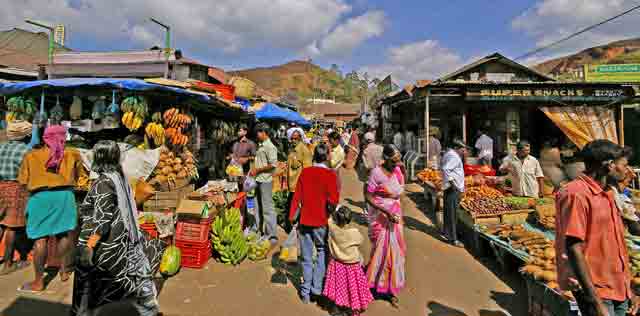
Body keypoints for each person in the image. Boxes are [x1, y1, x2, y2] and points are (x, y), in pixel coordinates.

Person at [72, 141, 166, 316]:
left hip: (106, 243)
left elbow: (102, 220)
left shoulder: (103, 183)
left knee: (93, 285)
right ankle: (147, 308)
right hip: (122, 237)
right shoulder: (119, 176)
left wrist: (89, 246)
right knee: (123, 279)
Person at [555, 140, 633, 316]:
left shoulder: (608, 193)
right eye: (624, 165)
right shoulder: (576, 194)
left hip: (617, 284)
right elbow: (573, 248)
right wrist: (595, 301)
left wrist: (629, 289)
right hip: (597, 290)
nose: (627, 170)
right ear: (609, 165)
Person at [18, 125, 88, 293]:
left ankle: (38, 281)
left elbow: (22, 180)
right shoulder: (72, 154)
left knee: (40, 239)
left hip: (40, 198)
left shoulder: (31, 155)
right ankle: (64, 271)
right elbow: (81, 177)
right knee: (63, 234)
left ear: (44, 138)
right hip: (64, 197)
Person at [289, 143, 339, 304]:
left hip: (304, 220)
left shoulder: (305, 173)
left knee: (306, 257)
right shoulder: (330, 175)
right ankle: (316, 289)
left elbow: (296, 197)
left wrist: (292, 217)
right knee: (322, 252)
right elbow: (333, 201)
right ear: (327, 157)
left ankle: (305, 293)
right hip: (321, 221)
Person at [364, 144, 406, 308]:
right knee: (379, 253)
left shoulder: (397, 170)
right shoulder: (376, 173)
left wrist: (403, 170)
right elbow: (368, 196)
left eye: (398, 161)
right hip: (381, 217)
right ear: (386, 159)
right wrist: (385, 212)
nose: (396, 164)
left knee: (396, 255)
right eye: (394, 161)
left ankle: (391, 290)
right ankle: (373, 284)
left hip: (395, 217)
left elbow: (401, 189)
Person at [322, 205, 373, 316]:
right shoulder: (354, 233)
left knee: (339, 287)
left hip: (337, 264)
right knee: (352, 288)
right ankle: (352, 309)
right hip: (352, 265)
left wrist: (333, 212)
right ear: (349, 219)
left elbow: (329, 220)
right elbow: (360, 240)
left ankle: (337, 309)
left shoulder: (333, 229)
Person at [0, 122, 32, 275]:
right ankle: (7, 264)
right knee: (11, 226)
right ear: (26, 136)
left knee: (0, 223)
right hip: (17, 188)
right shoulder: (27, 151)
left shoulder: (2, 147)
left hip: (1, 186)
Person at [249, 123, 278, 246]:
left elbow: (273, 164)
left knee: (267, 209)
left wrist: (258, 170)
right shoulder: (261, 145)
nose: (256, 135)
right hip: (257, 179)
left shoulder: (270, 147)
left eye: (258, 132)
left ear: (264, 133)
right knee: (256, 206)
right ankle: (257, 229)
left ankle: (271, 235)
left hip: (265, 180)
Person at [440, 139, 468, 247]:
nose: (464, 151)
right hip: (453, 189)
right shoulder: (454, 156)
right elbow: (446, 169)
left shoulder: (449, 154)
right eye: (463, 149)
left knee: (449, 212)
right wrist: (453, 184)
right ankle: (453, 239)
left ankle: (447, 233)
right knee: (452, 213)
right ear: (456, 148)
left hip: (450, 188)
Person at [286, 128, 312, 229]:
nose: (293, 141)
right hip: (292, 185)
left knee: (296, 209)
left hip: (298, 186)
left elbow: (308, 170)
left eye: (295, 139)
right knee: (292, 208)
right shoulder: (292, 149)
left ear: (300, 138)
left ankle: (296, 228)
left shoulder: (304, 150)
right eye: (292, 139)